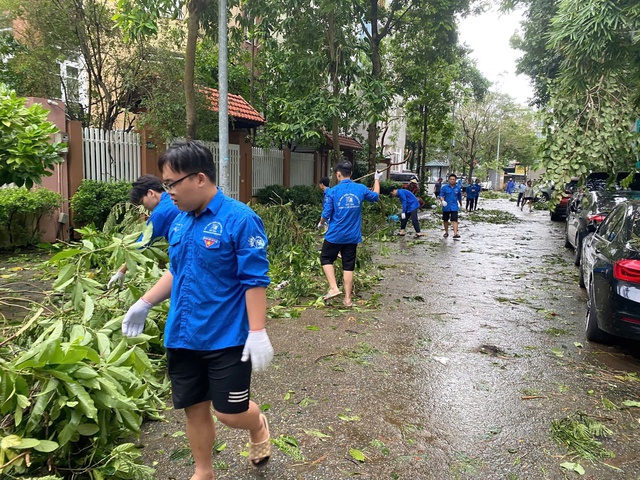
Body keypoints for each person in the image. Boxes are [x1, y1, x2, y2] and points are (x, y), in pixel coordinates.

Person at [121, 140, 274, 479]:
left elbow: (254, 279)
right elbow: (177, 270)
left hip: (226, 338)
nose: (168, 193)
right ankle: (203, 471)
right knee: (194, 409)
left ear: (199, 178)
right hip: (183, 334)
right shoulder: (179, 220)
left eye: (172, 184)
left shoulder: (240, 219)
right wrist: (144, 302)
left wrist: (257, 330)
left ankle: (257, 423)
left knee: (229, 413)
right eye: (165, 185)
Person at [319, 160, 381, 307]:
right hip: (352, 236)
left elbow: (326, 214)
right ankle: (347, 299)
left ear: (338, 174)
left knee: (326, 258)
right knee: (348, 265)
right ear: (351, 173)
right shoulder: (360, 189)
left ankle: (334, 288)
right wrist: (377, 179)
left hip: (335, 235)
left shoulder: (333, 191)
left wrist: (321, 223)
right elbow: (376, 196)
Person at [107, 174, 181, 289]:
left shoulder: (160, 213)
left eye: (142, 202)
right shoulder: (171, 201)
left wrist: (121, 271)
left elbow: (143, 243)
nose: (144, 207)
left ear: (151, 193)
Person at [439, 173, 462, 239]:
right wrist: (442, 201)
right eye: (451, 179)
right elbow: (441, 195)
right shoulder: (444, 188)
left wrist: (461, 205)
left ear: (455, 180)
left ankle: (455, 233)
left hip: (454, 206)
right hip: (446, 206)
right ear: (449, 180)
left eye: (453, 179)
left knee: (455, 220)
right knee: (445, 220)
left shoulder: (458, 188)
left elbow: (459, 197)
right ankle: (446, 232)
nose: (452, 180)